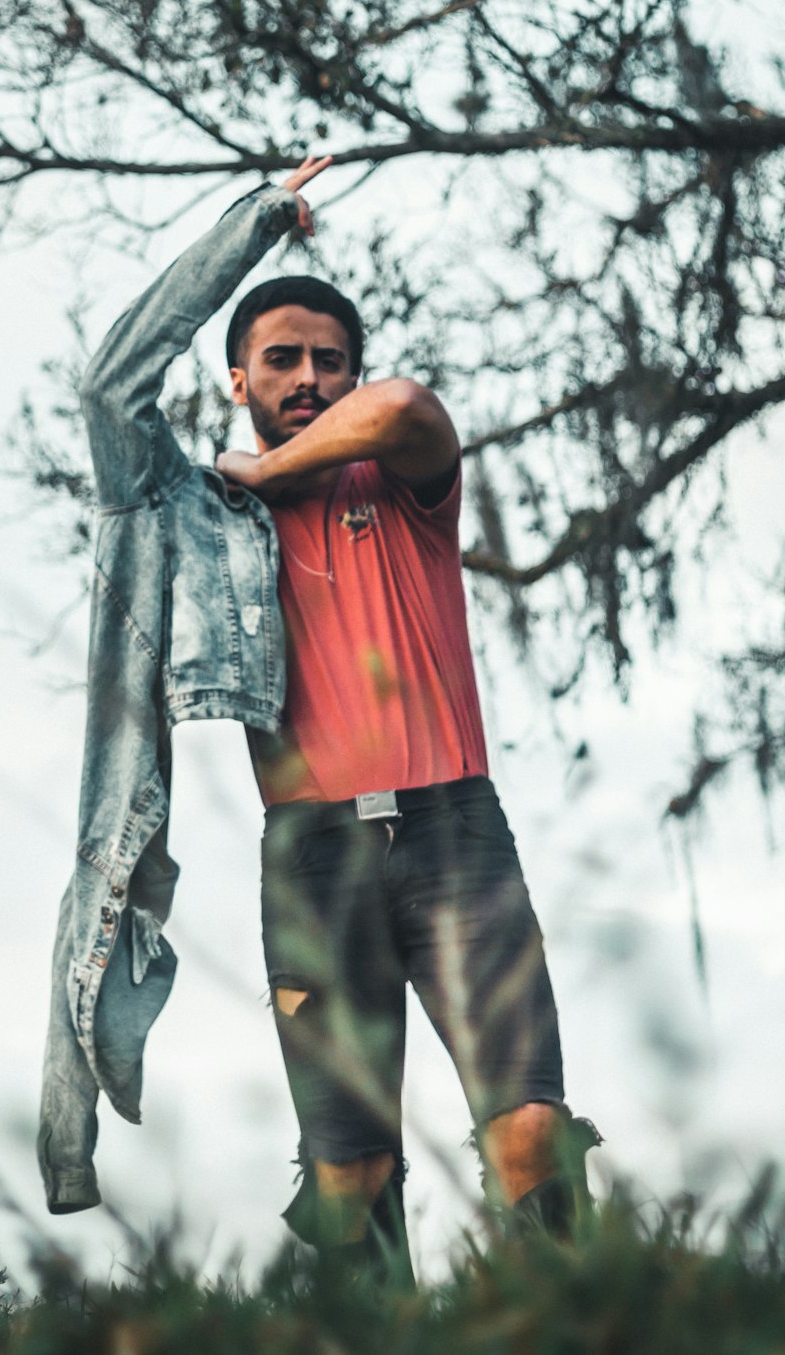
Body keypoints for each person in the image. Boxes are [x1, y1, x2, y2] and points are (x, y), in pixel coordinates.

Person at [215, 155, 598, 1287]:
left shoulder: (403, 479)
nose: (310, 376)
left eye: (328, 360)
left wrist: (269, 466)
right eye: (280, 360)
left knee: (526, 1129)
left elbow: (408, 407)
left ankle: (569, 1319)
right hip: (310, 853)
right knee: (349, 1172)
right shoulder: (216, 525)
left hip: (450, 833)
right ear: (237, 376)